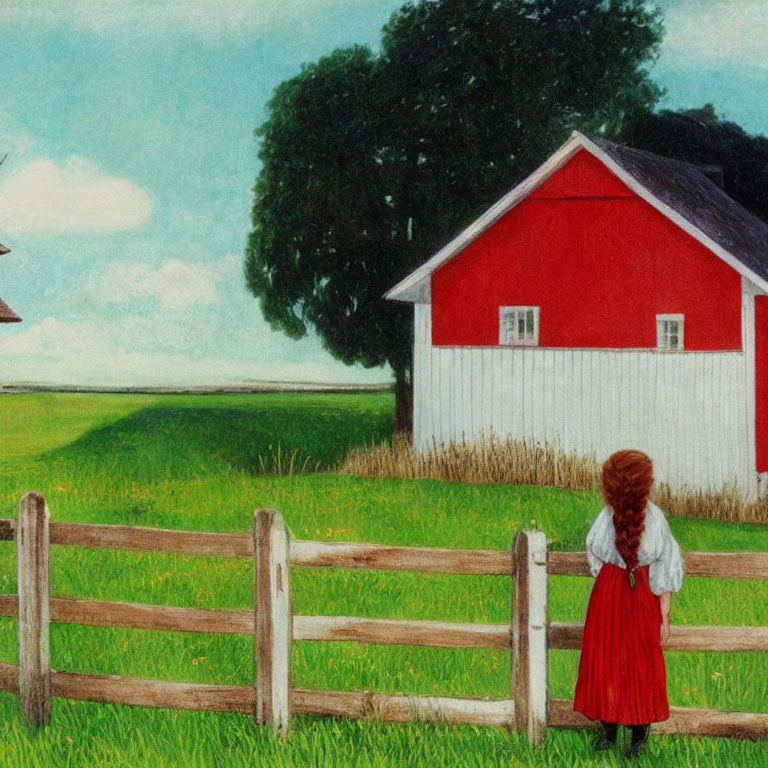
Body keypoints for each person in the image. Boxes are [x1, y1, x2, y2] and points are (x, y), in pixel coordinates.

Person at [573, 449, 684, 757]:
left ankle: (609, 737)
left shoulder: (606, 516)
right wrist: (664, 610)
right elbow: (667, 563)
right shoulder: (656, 517)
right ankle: (636, 742)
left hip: (609, 595)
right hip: (642, 595)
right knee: (639, 665)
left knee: (610, 661)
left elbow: (593, 549)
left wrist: (609, 574)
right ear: (644, 484)